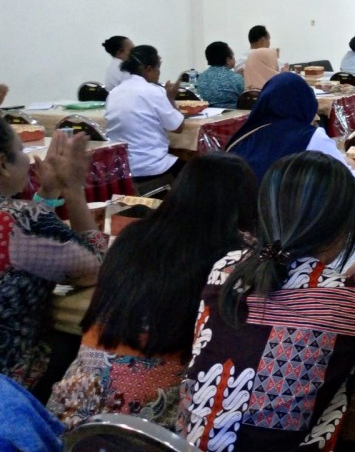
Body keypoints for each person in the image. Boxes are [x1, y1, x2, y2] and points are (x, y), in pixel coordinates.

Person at [179, 152, 355, 451]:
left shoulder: (226, 267)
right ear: (342, 229)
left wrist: (339, 281)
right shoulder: (352, 300)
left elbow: (291, 301)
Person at [47, 154, 257, 429]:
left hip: (73, 415)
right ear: (247, 204)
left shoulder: (133, 236)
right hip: (151, 424)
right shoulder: (238, 257)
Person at [0, 128, 106, 391]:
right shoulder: (19, 220)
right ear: (2, 163)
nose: (28, 159)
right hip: (11, 380)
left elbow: (29, 247)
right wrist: (73, 190)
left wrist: (48, 193)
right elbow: (99, 269)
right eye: (22, 150)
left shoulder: (21, 222)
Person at [225, 72, 355, 200]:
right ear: (306, 101)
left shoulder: (241, 137)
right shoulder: (310, 137)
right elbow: (348, 185)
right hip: (290, 217)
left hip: (244, 217)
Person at [105, 45, 185, 183]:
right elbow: (177, 127)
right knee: (195, 170)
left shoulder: (114, 93)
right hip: (151, 166)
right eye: (158, 68)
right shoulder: (153, 91)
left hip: (122, 168)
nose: (159, 73)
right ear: (148, 69)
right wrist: (170, 99)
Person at [195, 41, 244, 108]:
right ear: (228, 60)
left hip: (206, 112)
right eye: (233, 55)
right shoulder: (236, 78)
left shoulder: (201, 77)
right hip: (232, 113)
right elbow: (246, 97)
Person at [241, 25, 281, 91]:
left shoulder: (240, 60)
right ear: (262, 41)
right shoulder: (268, 55)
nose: (269, 43)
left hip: (249, 95)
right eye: (269, 39)